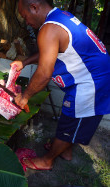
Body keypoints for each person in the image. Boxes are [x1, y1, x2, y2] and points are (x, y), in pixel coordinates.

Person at [13, 0, 110, 170]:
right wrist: (25, 62)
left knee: (70, 120)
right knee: (73, 119)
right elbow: (50, 51)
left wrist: (25, 96)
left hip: (91, 83)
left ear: (34, 7)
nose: (26, 21)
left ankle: (47, 160)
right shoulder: (61, 16)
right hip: (95, 77)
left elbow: (44, 74)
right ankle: (65, 151)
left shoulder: (49, 29)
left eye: (25, 16)